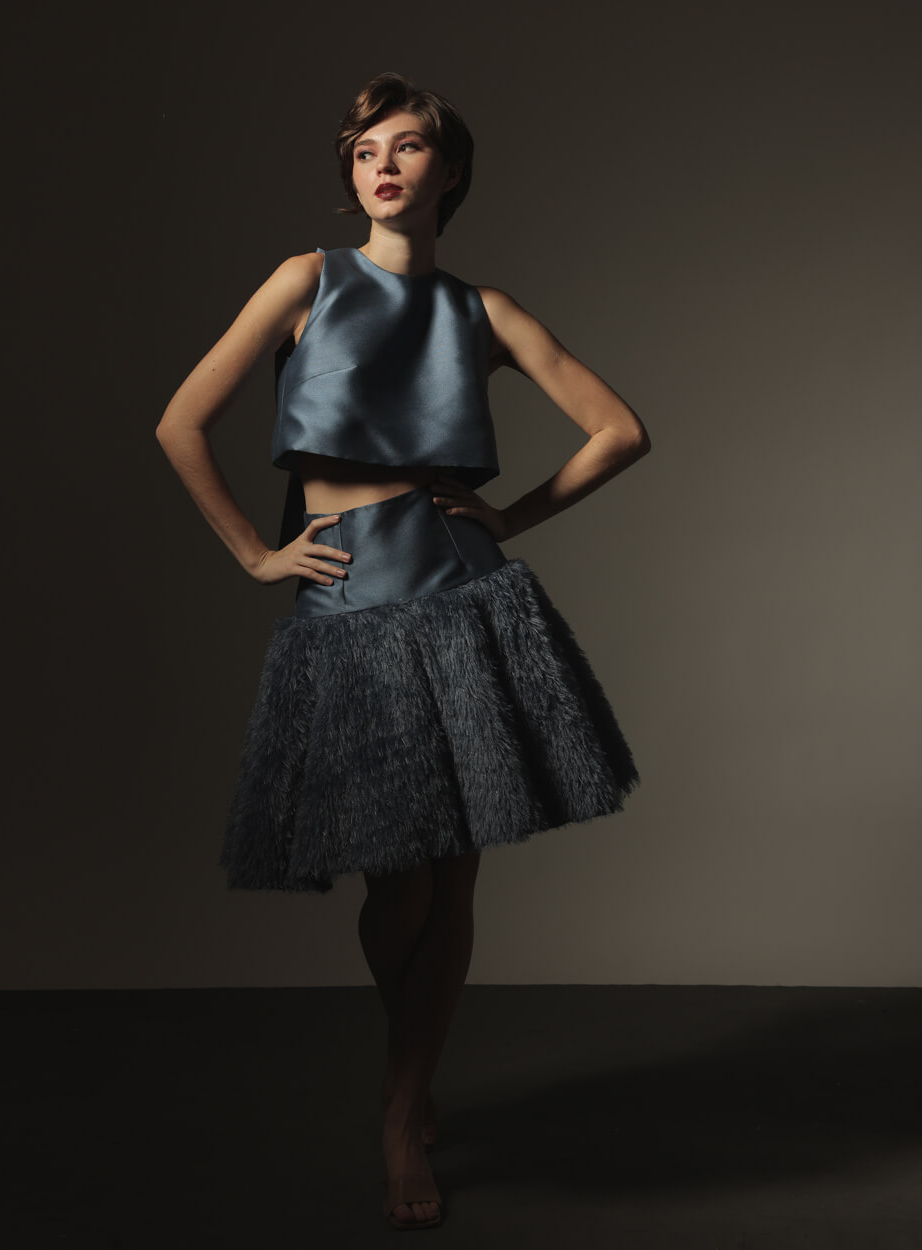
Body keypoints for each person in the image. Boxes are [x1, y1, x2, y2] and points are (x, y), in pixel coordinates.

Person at [156, 71, 650, 1232]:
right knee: (403, 872)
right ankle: (408, 1072)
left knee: (457, 869)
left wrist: (508, 516)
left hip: (463, 589)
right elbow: (180, 422)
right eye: (366, 148)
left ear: (449, 171)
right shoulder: (304, 280)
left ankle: (401, 1101)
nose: (383, 164)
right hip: (348, 600)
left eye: (409, 146)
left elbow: (619, 430)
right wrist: (254, 552)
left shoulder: (482, 310)